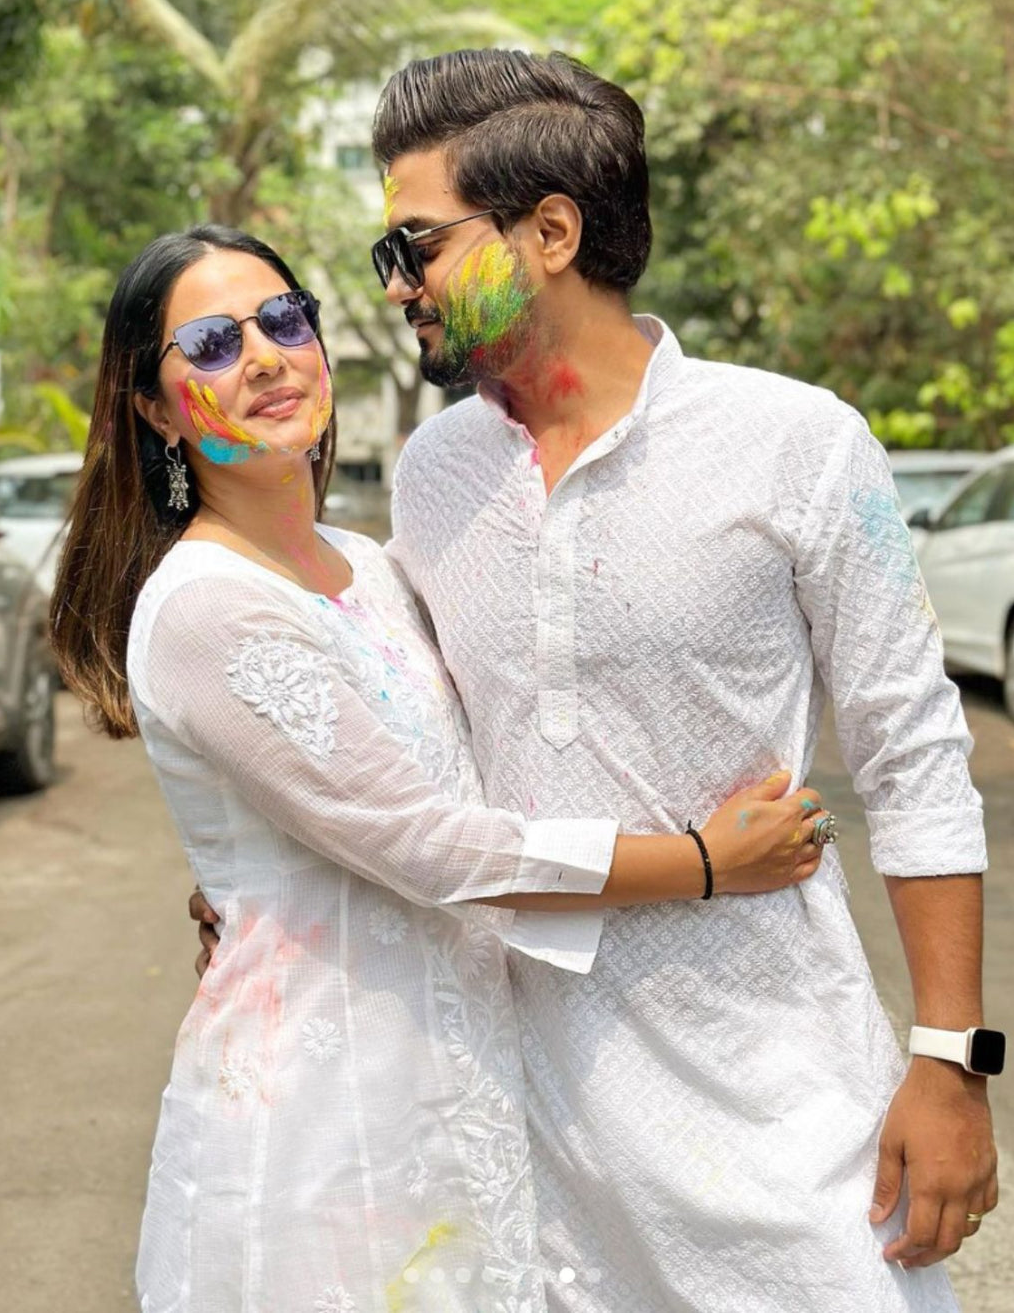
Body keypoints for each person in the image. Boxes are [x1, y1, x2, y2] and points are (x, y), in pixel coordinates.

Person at [198, 50, 1001, 1311]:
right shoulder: (437, 474)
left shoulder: (798, 443)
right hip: (535, 1115)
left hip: (785, 1100)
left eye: (417, 245)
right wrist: (265, 884)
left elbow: (914, 757)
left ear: (552, 233)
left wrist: (950, 1059)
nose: (398, 284)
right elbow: (400, 741)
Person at [50, 223, 832, 1313]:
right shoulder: (205, 607)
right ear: (154, 408)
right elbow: (428, 844)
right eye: (215, 344)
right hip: (328, 1123)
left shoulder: (371, 566)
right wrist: (700, 863)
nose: (266, 357)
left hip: (463, 1078)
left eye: (284, 320)